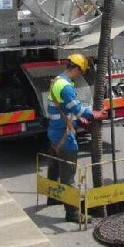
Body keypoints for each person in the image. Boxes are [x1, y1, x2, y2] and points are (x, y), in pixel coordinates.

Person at [46, 53, 106, 223]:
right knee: (68, 176)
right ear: (77, 68)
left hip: (54, 133)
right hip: (63, 136)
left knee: (55, 168)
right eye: (82, 71)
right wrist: (94, 114)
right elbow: (77, 108)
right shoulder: (66, 87)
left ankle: (52, 197)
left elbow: (62, 107)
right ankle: (72, 213)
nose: (81, 75)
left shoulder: (57, 80)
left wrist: (77, 117)